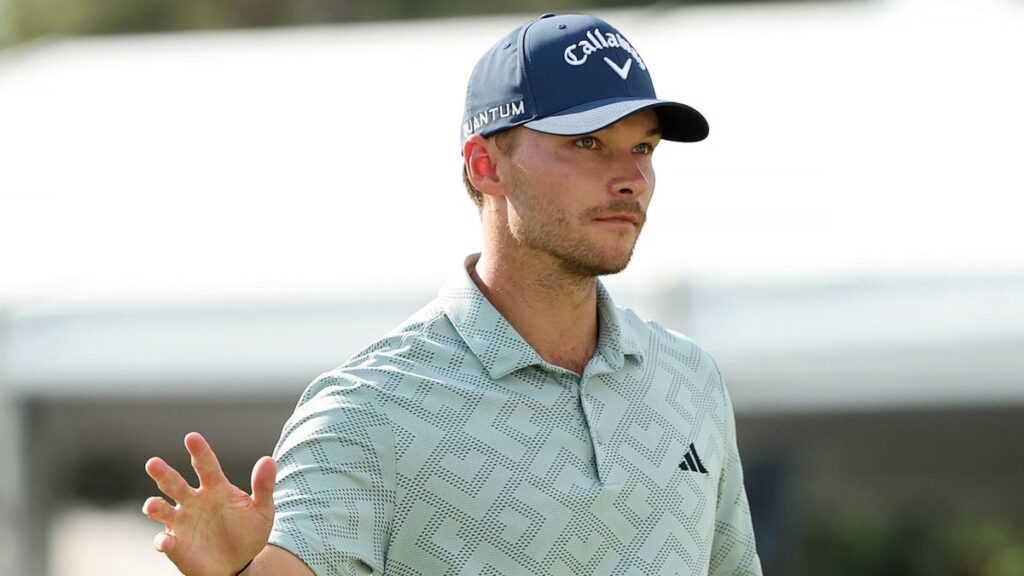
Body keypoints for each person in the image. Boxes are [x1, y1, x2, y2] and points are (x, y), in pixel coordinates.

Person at [142, 12, 762, 576]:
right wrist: (233, 574)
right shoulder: (367, 411)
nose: (631, 179)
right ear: (485, 165)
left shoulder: (690, 381)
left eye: (643, 148)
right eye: (587, 143)